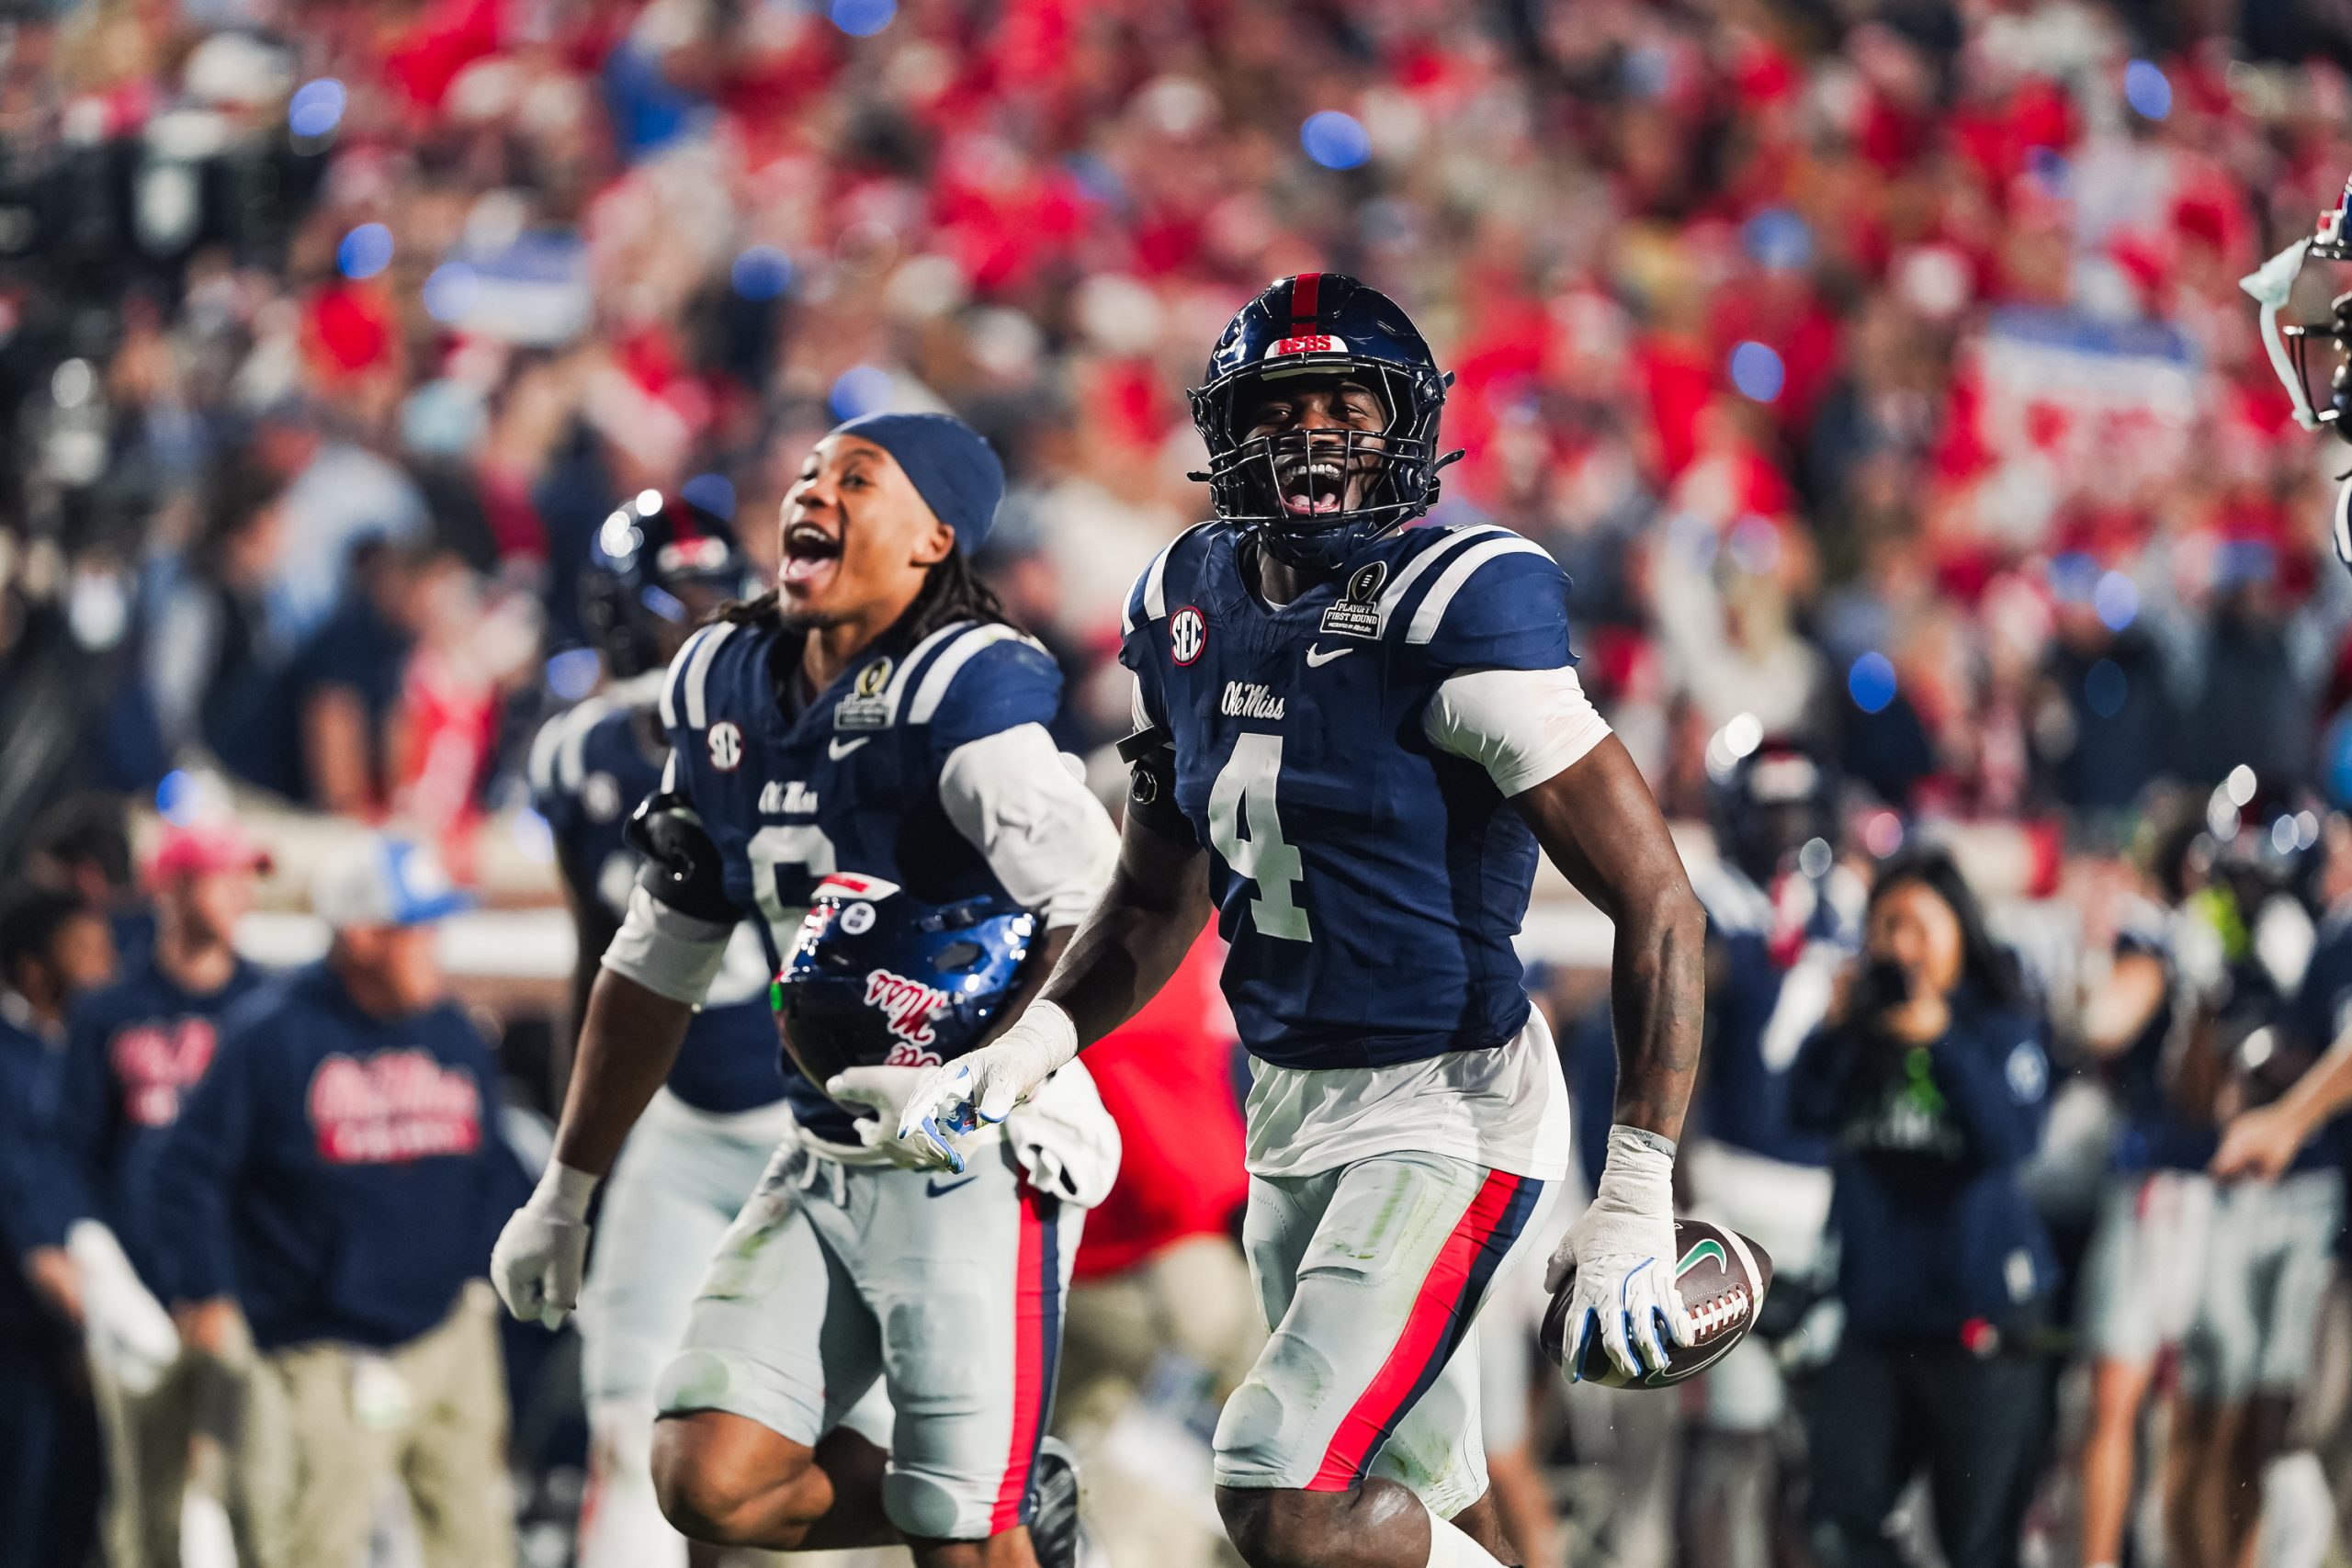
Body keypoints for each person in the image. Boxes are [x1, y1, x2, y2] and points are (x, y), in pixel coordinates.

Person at [897, 273, 1708, 1568]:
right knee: (1405, 1503)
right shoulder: (1185, 602)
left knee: (1279, 1486)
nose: (1318, 431)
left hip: (1448, 1103)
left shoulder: (1458, 602)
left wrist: (1637, 1187)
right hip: (1285, 1104)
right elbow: (1155, 892)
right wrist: (1025, 1047)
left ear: (1408, 426)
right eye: (1285, 403)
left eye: (1349, 402)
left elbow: (1659, 896)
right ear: (1231, 428)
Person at [490, 411, 1122, 1568]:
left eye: (858, 478)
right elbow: (654, 954)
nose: (813, 493)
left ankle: (986, 1495)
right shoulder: (726, 685)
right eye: (811, 472)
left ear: (934, 539)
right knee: (708, 1477)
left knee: (960, 1538)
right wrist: (567, 1190)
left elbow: (1102, 901)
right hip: (821, 1143)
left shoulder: (962, 691)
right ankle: (1002, 1486)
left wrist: (995, 1076)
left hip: (970, 1158)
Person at [527, 488, 797, 1568]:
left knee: (777, 1447)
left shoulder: (792, 727)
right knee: (638, 1425)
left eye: (706, 594)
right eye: (677, 595)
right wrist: (571, 1163)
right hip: (681, 1130)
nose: (695, 617)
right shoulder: (577, 756)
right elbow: (596, 963)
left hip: (802, 1126)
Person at [151, 832, 525, 1568]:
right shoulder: (272, 1035)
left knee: (480, 1543)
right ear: (361, 936)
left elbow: (493, 1162)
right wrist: (207, 1291)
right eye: (417, 930)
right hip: (321, 1347)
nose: (435, 947)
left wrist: (477, 1268)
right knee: (312, 1546)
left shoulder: (450, 1030)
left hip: (447, 1334)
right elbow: (184, 1169)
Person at [1790, 848, 2055, 1568]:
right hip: (1875, 1323)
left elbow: (2013, 1137)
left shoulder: (1999, 1017)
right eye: (1886, 925)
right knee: (1838, 1523)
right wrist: (1837, 1027)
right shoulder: (1861, 1027)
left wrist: (1941, 1039)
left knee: (1976, 1544)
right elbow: (1800, 1109)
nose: (1901, 944)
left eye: (1918, 924)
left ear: (1960, 929)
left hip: (1979, 1327)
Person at [29, 818, 269, 1568]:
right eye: (218, 874)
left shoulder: (272, 1006)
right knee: (145, 1520)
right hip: (139, 1296)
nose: (238, 892)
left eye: (245, 875)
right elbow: (68, 1150)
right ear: (171, 886)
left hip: (245, 1298)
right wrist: (88, 1269)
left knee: (261, 1504)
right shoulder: (110, 1009)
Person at [1681, 731, 1858, 1568]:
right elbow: (1678, 1054)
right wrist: (1681, 1190)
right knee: (1736, 1431)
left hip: (1827, 1196)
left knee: (1813, 1438)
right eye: (1772, 809)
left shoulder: (1845, 907)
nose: (1788, 829)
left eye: (1799, 808)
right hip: (1735, 1188)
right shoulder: (1706, 901)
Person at [0, 882, 118, 1568]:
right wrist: (63, 1325)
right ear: (35, 969)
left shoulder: (98, 1049)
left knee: (88, 1520)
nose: (105, 967)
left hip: (100, 1331)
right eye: (85, 951)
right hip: (25, 1342)